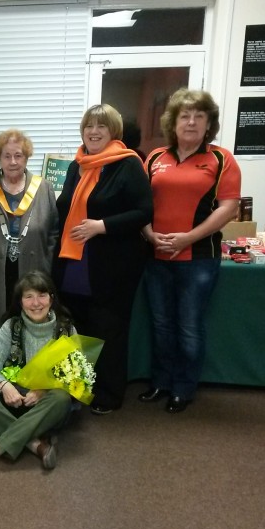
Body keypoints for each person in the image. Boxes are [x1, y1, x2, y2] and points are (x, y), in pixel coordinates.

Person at [140, 88, 241, 413]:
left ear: (209, 123)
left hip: (198, 260)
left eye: (200, 116)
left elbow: (228, 208)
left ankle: (183, 388)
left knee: (188, 326)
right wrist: (149, 234)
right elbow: (141, 204)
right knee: (161, 325)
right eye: (185, 116)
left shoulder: (222, 159)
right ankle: (160, 382)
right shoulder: (155, 157)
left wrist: (188, 238)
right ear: (173, 122)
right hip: (156, 257)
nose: (192, 122)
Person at [53, 103, 153, 415]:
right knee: (76, 330)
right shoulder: (76, 165)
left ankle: (108, 395)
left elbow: (144, 212)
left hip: (112, 265)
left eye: (101, 126)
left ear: (114, 132)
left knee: (108, 330)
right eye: (89, 126)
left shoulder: (128, 164)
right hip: (73, 262)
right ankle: (76, 389)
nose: (93, 132)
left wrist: (101, 226)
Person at [0, 271, 76, 472]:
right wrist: (4, 385)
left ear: (51, 299)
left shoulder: (66, 330)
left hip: (45, 405)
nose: (36, 303)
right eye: (29, 297)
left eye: (42, 295)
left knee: (62, 399)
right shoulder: (11, 326)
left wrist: (43, 391)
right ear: (20, 302)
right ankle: (35, 444)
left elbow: (75, 378)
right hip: (12, 400)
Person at [0, 129, 59, 356]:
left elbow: (54, 233)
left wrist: (46, 266)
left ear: (26, 157)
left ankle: (30, 369)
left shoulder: (43, 188)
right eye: (7, 156)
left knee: (30, 324)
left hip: (33, 268)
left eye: (18, 155)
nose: (13, 162)